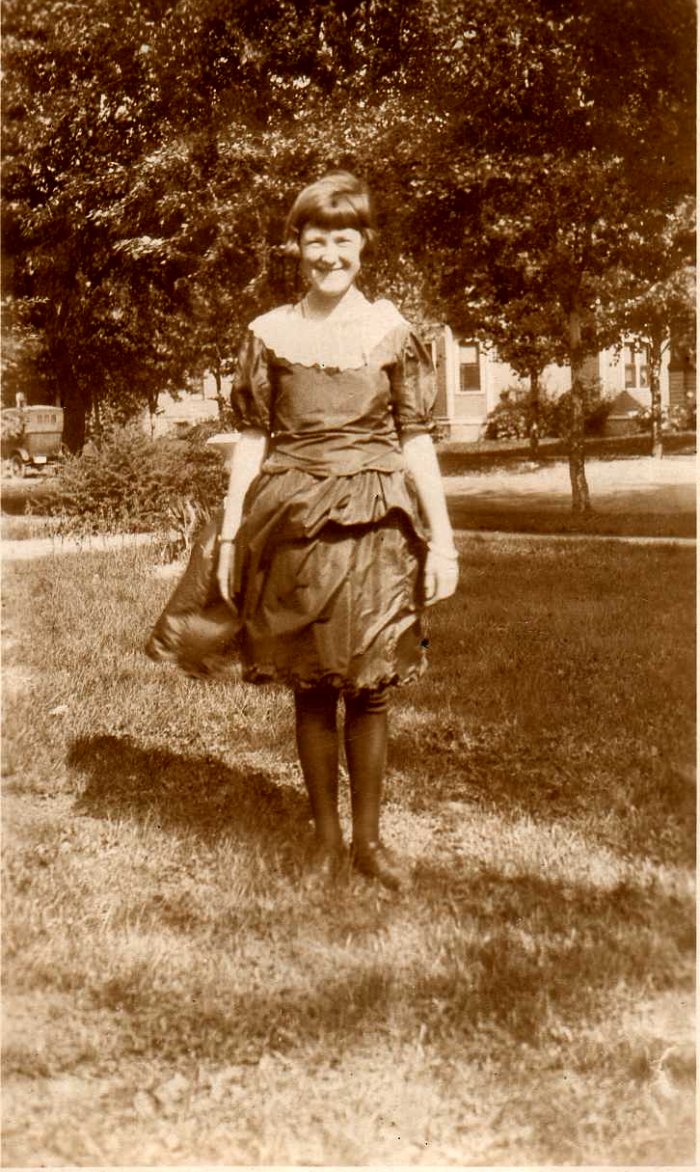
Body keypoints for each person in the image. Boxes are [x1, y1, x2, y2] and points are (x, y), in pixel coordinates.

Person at [216, 171, 458, 890]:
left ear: (364, 244)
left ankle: (370, 843)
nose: (329, 255)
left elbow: (416, 440)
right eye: (315, 240)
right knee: (314, 685)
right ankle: (325, 840)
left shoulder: (392, 333)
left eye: (342, 240)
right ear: (296, 246)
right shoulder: (269, 335)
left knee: (372, 685)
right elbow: (252, 440)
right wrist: (230, 536)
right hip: (296, 526)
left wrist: (444, 542)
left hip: (379, 525)